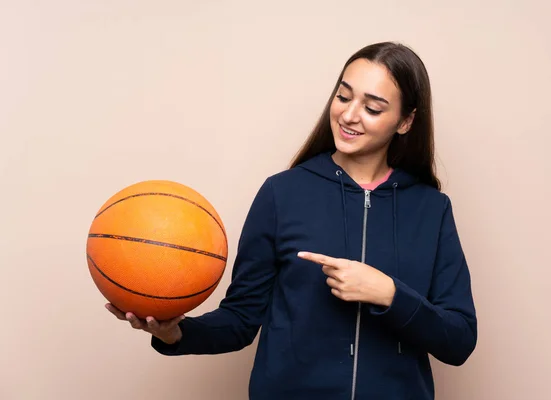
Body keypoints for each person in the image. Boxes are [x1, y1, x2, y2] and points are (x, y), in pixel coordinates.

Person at [106, 41, 477, 399]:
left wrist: (389, 294)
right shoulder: (282, 195)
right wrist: (175, 333)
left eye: (373, 108)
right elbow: (240, 320)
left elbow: (459, 339)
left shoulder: (432, 209)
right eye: (344, 96)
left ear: (406, 121)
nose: (349, 115)